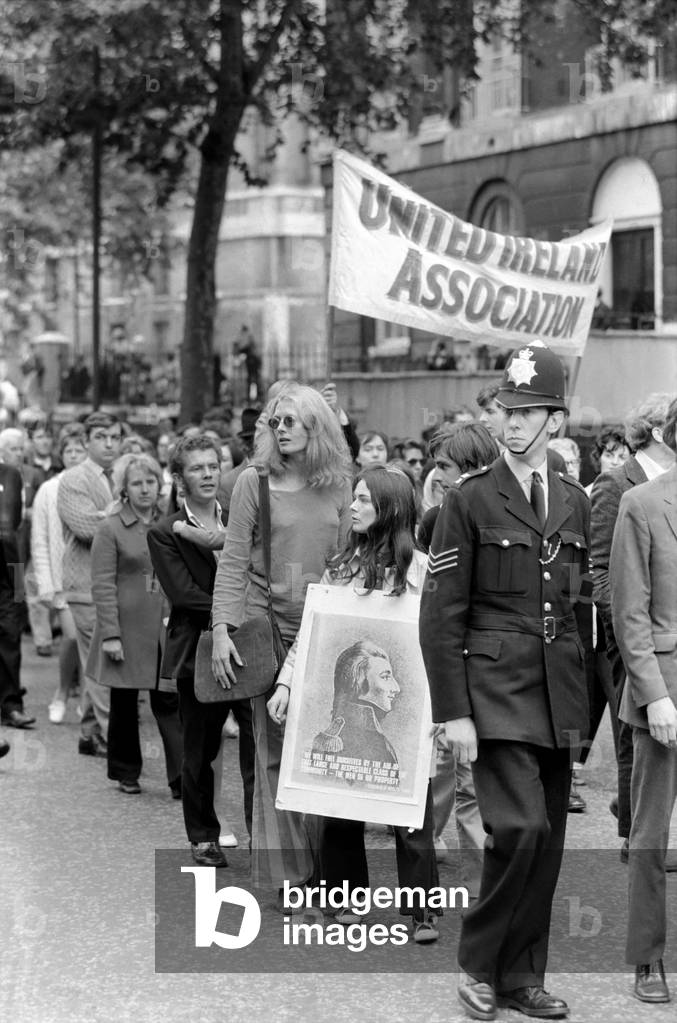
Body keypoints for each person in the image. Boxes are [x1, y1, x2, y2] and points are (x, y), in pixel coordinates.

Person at [420, 341, 592, 1021]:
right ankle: (478, 963)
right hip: (491, 692)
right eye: (504, 409)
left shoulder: (573, 501)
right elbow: (441, 613)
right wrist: (451, 711)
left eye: (525, 412)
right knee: (518, 827)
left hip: (557, 694)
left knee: (545, 840)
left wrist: (588, 705)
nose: (510, 422)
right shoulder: (469, 500)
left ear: (555, 418)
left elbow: (578, 608)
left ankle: (520, 977)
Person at [269, 465, 441, 942]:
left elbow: (443, 640)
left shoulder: (423, 570)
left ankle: (421, 909)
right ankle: (345, 898)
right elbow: (313, 632)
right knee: (340, 801)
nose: (355, 507)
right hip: (348, 708)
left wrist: (447, 706)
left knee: (411, 810)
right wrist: (286, 685)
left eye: (365, 500)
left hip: (411, 708)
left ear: (389, 508)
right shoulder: (341, 567)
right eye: (355, 498)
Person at [210, 381, 352, 894]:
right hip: (266, 630)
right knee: (271, 755)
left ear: (318, 427)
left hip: (322, 631)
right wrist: (223, 629)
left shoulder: (338, 484)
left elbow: (346, 564)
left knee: (319, 753)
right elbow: (232, 561)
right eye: (275, 421)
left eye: (292, 420)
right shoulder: (255, 482)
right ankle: (290, 877)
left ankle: (322, 871)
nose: (281, 428)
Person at [147, 434, 255, 866]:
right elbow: (185, 595)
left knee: (258, 744)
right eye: (197, 468)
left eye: (214, 465)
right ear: (179, 477)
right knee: (201, 750)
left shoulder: (241, 516)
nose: (208, 474)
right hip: (198, 650)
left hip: (248, 646)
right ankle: (203, 836)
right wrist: (241, 603)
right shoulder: (164, 531)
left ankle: (260, 834)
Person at [609, 395, 677, 1003]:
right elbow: (627, 611)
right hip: (665, 688)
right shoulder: (641, 504)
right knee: (650, 836)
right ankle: (647, 959)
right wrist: (654, 695)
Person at [590, 393, 675, 861]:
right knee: (635, 737)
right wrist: (626, 624)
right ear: (661, 432)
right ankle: (633, 836)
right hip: (632, 638)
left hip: (669, 632)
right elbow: (599, 568)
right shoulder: (615, 484)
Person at [416, 422, 499, 895]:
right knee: (442, 771)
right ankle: (424, 841)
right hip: (444, 670)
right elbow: (430, 602)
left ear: (468, 467)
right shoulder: (433, 521)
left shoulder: (502, 515)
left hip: (486, 671)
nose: (437, 475)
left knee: (473, 784)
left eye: (444, 466)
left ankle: (480, 892)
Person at [87, 453, 182, 797]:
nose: (144, 489)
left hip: (164, 627)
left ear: (160, 485)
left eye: (150, 482)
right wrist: (110, 634)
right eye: (136, 483)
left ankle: (181, 779)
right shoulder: (109, 527)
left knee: (169, 704)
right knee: (125, 705)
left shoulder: (172, 523)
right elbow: (102, 583)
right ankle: (126, 772)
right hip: (126, 629)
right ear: (124, 489)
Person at [57, 412, 122, 757]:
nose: (109, 444)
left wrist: (108, 514)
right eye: (101, 437)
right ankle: (114, 739)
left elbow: (145, 516)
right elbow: (85, 528)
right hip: (83, 584)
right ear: (86, 442)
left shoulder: (126, 473)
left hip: (116, 583)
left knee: (97, 659)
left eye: (114, 436)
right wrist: (118, 515)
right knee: (99, 660)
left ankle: (88, 731)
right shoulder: (73, 478)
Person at [31, 424, 87, 723]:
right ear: (61, 454)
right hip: (61, 579)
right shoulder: (48, 489)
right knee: (71, 636)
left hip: (91, 579)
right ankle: (63, 692)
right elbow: (39, 540)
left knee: (90, 642)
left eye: (80, 449)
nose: (75, 455)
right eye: (69, 450)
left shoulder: (94, 486)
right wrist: (46, 584)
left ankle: (87, 700)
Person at [312, 640, 401, 777]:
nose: (396, 688)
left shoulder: (333, 735)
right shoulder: (375, 745)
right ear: (358, 682)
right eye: (385, 677)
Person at [0, 460, 34, 729]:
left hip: (7, 574)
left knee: (10, 638)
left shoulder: (9, 473)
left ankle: (11, 705)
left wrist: (21, 590)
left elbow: (10, 533)